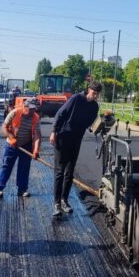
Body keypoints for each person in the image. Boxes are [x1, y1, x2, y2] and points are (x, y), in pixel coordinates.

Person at [50, 81, 102, 216]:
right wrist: (54, 132)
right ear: (89, 90)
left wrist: (100, 125)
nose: (95, 96)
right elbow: (60, 114)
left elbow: (91, 124)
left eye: (97, 94)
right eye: (94, 93)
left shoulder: (94, 106)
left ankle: (64, 200)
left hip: (76, 139)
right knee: (60, 171)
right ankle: (56, 203)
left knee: (70, 172)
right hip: (63, 137)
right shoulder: (76, 99)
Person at [0, 98, 41, 198]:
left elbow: (37, 135)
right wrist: (11, 137)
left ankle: (22, 189)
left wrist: (36, 149)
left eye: (34, 109)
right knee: (7, 166)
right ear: (25, 106)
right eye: (31, 109)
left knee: (24, 167)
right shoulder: (15, 112)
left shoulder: (36, 118)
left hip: (26, 144)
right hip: (11, 144)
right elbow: (4, 127)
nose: (32, 111)